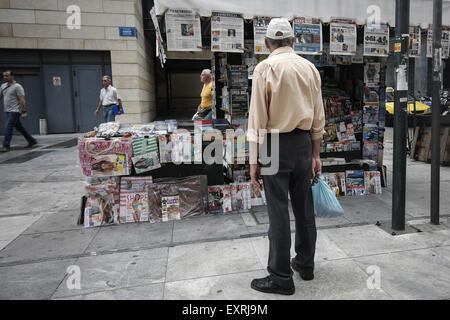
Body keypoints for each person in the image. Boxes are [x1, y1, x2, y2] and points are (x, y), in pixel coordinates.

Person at [247, 18, 325, 295]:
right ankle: (305, 264)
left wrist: (254, 160)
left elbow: (257, 118)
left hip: (273, 144)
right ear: (293, 41)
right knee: (304, 207)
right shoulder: (310, 68)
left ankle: (280, 277)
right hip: (303, 142)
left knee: (278, 210)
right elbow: (318, 116)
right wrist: (316, 154)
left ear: (266, 43)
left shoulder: (265, 68)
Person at [0, 70, 37, 152]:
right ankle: (32, 140)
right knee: (19, 127)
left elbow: (22, 100)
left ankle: (6, 145)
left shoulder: (17, 86)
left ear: (12, 76)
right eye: (4, 76)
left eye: (7, 76)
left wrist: (24, 111)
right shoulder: (3, 86)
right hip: (7, 110)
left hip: (15, 110)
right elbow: (1, 96)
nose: (5, 77)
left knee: (8, 126)